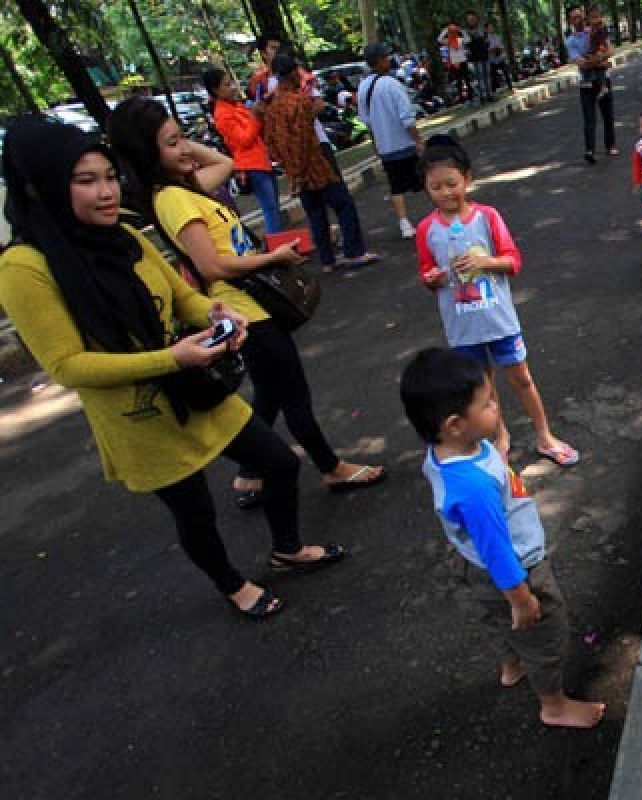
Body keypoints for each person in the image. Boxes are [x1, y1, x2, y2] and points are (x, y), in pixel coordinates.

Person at [0, 117, 346, 619]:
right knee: (194, 510)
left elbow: (182, 295)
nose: (105, 193)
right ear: (42, 186)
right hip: (138, 414)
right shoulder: (24, 268)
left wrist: (216, 313)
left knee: (278, 461)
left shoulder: (124, 235)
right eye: (85, 181)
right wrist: (172, 357)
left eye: (108, 177)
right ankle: (233, 586)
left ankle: (287, 548)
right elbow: (68, 366)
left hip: (193, 385)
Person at [107, 96, 386, 509]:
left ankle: (250, 473)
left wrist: (180, 147)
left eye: (182, 138)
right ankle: (330, 467)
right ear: (147, 155)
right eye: (170, 144)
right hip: (242, 308)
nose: (184, 149)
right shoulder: (172, 198)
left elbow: (226, 162)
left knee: (271, 394)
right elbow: (213, 265)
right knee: (293, 394)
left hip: (249, 305)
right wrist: (273, 257)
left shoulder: (183, 188)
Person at [399, 348, 605, 728]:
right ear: (456, 424)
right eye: (488, 403)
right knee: (544, 636)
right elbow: (497, 551)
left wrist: (494, 449)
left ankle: (512, 665)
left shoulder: (447, 451)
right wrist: (522, 598)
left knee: (498, 621)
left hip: (470, 563)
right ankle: (554, 706)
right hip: (516, 571)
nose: (497, 406)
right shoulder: (474, 488)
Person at [414, 137, 578, 467]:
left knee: (522, 379)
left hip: (498, 320)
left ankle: (544, 436)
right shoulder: (426, 229)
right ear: (426, 189)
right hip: (462, 327)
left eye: (452, 184)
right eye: (436, 187)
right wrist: (432, 279)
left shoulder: (487, 217)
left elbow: (513, 261)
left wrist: (484, 263)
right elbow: (426, 272)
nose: (446, 193)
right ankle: (499, 438)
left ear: (467, 179)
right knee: (482, 390)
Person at [264, 54, 380, 273]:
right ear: (292, 75)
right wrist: (298, 172)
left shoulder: (271, 107)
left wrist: (291, 170)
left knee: (315, 212)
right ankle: (354, 252)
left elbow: (271, 142)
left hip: (294, 166)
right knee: (343, 204)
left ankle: (327, 259)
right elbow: (302, 138)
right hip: (315, 164)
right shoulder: (298, 102)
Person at [246, 32, 343, 178]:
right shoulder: (259, 82)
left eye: (279, 48)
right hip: (290, 150)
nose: (277, 51)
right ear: (263, 54)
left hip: (315, 141)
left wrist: (300, 125)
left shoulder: (300, 75)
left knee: (334, 185)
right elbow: (260, 113)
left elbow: (318, 103)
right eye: (272, 48)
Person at [203, 69, 282, 234]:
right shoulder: (222, 114)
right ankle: (277, 248)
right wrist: (254, 116)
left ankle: (279, 244)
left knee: (274, 207)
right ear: (215, 90)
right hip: (252, 165)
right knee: (270, 209)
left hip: (262, 161)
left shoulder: (236, 106)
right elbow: (244, 139)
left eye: (231, 83)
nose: (232, 87)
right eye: (227, 84)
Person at [359, 42, 424, 239]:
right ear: (379, 61)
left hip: (386, 147)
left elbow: (367, 120)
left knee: (396, 186)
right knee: (424, 179)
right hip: (404, 144)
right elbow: (407, 118)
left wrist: (375, 143)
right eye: (386, 57)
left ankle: (404, 224)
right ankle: (441, 214)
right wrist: (418, 140)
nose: (389, 60)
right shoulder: (392, 85)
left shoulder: (363, 87)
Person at [565, 5, 617, 166]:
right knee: (589, 118)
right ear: (569, 21)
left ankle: (610, 145)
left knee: (607, 115)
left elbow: (610, 50)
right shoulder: (571, 41)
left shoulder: (595, 30)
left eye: (579, 16)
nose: (578, 19)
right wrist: (602, 63)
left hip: (603, 79)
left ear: (584, 17)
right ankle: (590, 150)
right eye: (574, 17)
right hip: (586, 82)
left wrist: (601, 59)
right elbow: (581, 64)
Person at [464, 10, 494, 104]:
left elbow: (487, 40)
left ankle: (489, 95)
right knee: (480, 77)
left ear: (475, 18)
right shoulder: (466, 32)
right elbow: (466, 45)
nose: (471, 20)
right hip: (476, 57)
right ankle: (483, 96)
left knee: (487, 76)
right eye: (469, 19)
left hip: (485, 55)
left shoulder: (482, 29)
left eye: (472, 18)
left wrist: (487, 46)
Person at [438, 19, 470, 102]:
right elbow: (439, 39)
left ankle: (470, 96)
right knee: (459, 81)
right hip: (455, 63)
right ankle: (462, 99)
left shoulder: (459, 39)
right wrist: (445, 30)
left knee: (467, 79)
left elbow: (468, 40)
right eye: (451, 31)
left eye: (453, 30)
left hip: (463, 61)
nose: (453, 32)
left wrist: (461, 30)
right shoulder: (448, 41)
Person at [486, 21, 513, 92]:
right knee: (493, 75)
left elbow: (502, 46)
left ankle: (510, 86)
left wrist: (499, 48)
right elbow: (486, 49)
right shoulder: (485, 39)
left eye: (492, 27)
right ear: (486, 29)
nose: (491, 29)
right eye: (489, 27)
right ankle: (493, 90)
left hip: (499, 58)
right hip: (491, 59)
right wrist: (492, 49)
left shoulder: (498, 37)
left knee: (505, 71)